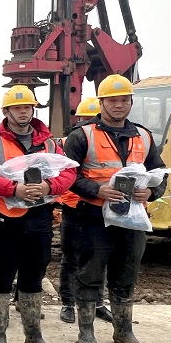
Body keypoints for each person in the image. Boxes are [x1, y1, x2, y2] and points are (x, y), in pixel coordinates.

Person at [62, 75, 167, 343]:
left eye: (124, 100)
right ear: (102, 103)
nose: (119, 105)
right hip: (94, 218)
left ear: (131, 102)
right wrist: (97, 189)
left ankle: (124, 332)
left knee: (126, 275)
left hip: (133, 219)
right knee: (90, 273)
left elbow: (160, 172)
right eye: (112, 100)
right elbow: (67, 176)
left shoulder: (143, 136)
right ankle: (86, 333)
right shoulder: (82, 135)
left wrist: (152, 192)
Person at [0, 85, 75, 343]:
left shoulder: (50, 143)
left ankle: (33, 336)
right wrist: (12, 189)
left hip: (39, 219)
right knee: (0, 278)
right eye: (17, 108)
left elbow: (68, 173)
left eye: (27, 107)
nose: (23, 112)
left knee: (33, 277)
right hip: (6, 219)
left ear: (33, 110)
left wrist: (50, 187)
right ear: (6, 111)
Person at [58, 96, 113, 324]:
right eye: (85, 119)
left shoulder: (107, 141)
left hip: (97, 209)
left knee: (98, 258)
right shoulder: (68, 142)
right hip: (73, 208)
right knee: (71, 258)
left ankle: (97, 303)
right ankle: (68, 303)